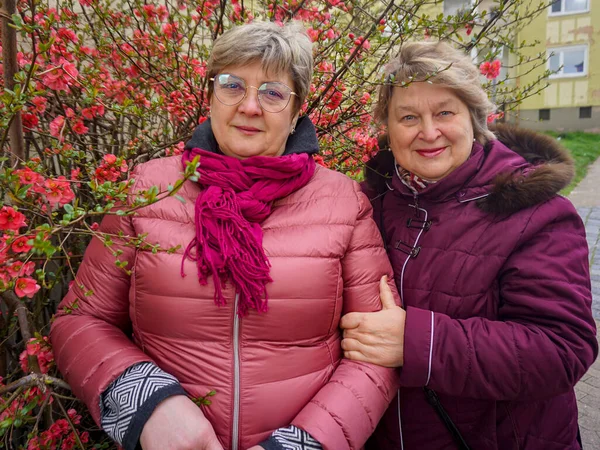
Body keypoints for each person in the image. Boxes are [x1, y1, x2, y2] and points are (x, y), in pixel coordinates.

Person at [50, 21, 399, 450]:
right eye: (232, 85)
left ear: (296, 111)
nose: (250, 106)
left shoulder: (343, 202)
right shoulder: (148, 190)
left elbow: (377, 353)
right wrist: (149, 406)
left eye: (272, 93)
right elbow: (80, 321)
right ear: (212, 94)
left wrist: (303, 444)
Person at [340, 40, 598, 450]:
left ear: (474, 118)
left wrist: (416, 342)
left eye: (445, 112)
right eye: (408, 116)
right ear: (387, 127)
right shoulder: (367, 206)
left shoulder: (536, 214)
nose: (428, 132)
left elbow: (561, 350)